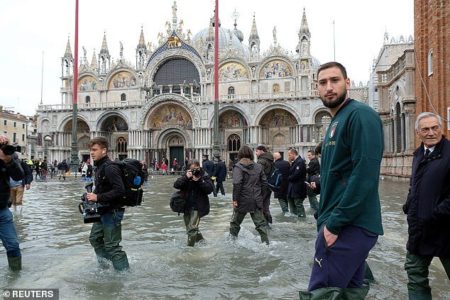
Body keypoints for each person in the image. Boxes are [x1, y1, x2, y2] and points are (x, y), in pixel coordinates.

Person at [300, 62, 384, 299]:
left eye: (335, 80)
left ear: (347, 83)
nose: (329, 87)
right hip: (342, 223)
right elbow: (339, 172)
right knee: (349, 293)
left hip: (347, 225)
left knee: (322, 293)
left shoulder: (360, 115)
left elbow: (364, 175)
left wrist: (334, 225)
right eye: (323, 82)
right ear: (316, 87)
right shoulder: (337, 120)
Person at [402, 112, 450, 299]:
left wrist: (434, 213)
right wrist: (409, 204)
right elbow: (415, 185)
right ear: (418, 133)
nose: (431, 132)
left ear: (441, 128)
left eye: (435, 127)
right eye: (425, 129)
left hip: (446, 231)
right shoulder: (418, 154)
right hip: (419, 230)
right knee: (415, 275)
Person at [86, 137, 129, 271]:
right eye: (91, 150)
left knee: (112, 246)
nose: (92, 153)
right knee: (95, 239)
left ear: (104, 150)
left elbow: (120, 190)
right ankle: (106, 266)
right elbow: (103, 188)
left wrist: (97, 196)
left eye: (95, 150)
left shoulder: (110, 168)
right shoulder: (99, 167)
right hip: (102, 210)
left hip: (113, 212)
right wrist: (90, 196)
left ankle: (124, 274)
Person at [229, 145, 269, 245]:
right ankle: (266, 244)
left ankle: (232, 243)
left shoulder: (238, 166)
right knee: (260, 225)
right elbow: (264, 184)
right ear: (251, 154)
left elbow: (237, 184)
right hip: (256, 199)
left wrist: (235, 200)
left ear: (240, 155)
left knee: (235, 223)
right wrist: (261, 196)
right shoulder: (258, 166)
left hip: (242, 200)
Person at [173, 159, 214, 246]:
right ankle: (203, 243)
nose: (195, 171)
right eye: (193, 169)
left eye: (197, 168)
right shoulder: (186, 175)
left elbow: (210, 189)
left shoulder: (204, 175)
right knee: (190, 228)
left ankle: (189, 250)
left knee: (192, 228)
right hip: (187, 206)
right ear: (189, 169)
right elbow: (176, 185)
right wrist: (186, 177)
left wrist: (199, 180)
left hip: (198, 207)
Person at [0, 135, 24, 271]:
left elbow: (19, 176)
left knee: (13, 245)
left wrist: (8, 160)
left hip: (2, 210)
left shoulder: (7, 156)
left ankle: (16, 279)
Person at [255, 145, 274, 225]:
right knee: (266, 204)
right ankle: (268, 221)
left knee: (260, 205)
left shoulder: (262, 161)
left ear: (261, 151)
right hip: (269, 185)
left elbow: (258, 174)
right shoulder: (270, 159)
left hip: (262, 186)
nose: (255, 153)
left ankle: (264, 223)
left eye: (256, 151)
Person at [286, 148, 307, 218]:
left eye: (289, 155)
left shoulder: (300, 162)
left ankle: (302, 219)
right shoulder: (294, 162)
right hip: (292, 187)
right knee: (292, 203)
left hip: (298, 187)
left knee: (298, 203)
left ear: (293, 154)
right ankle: (294, 218)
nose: (288, 157)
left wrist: (287, 178)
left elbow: (296, 175)